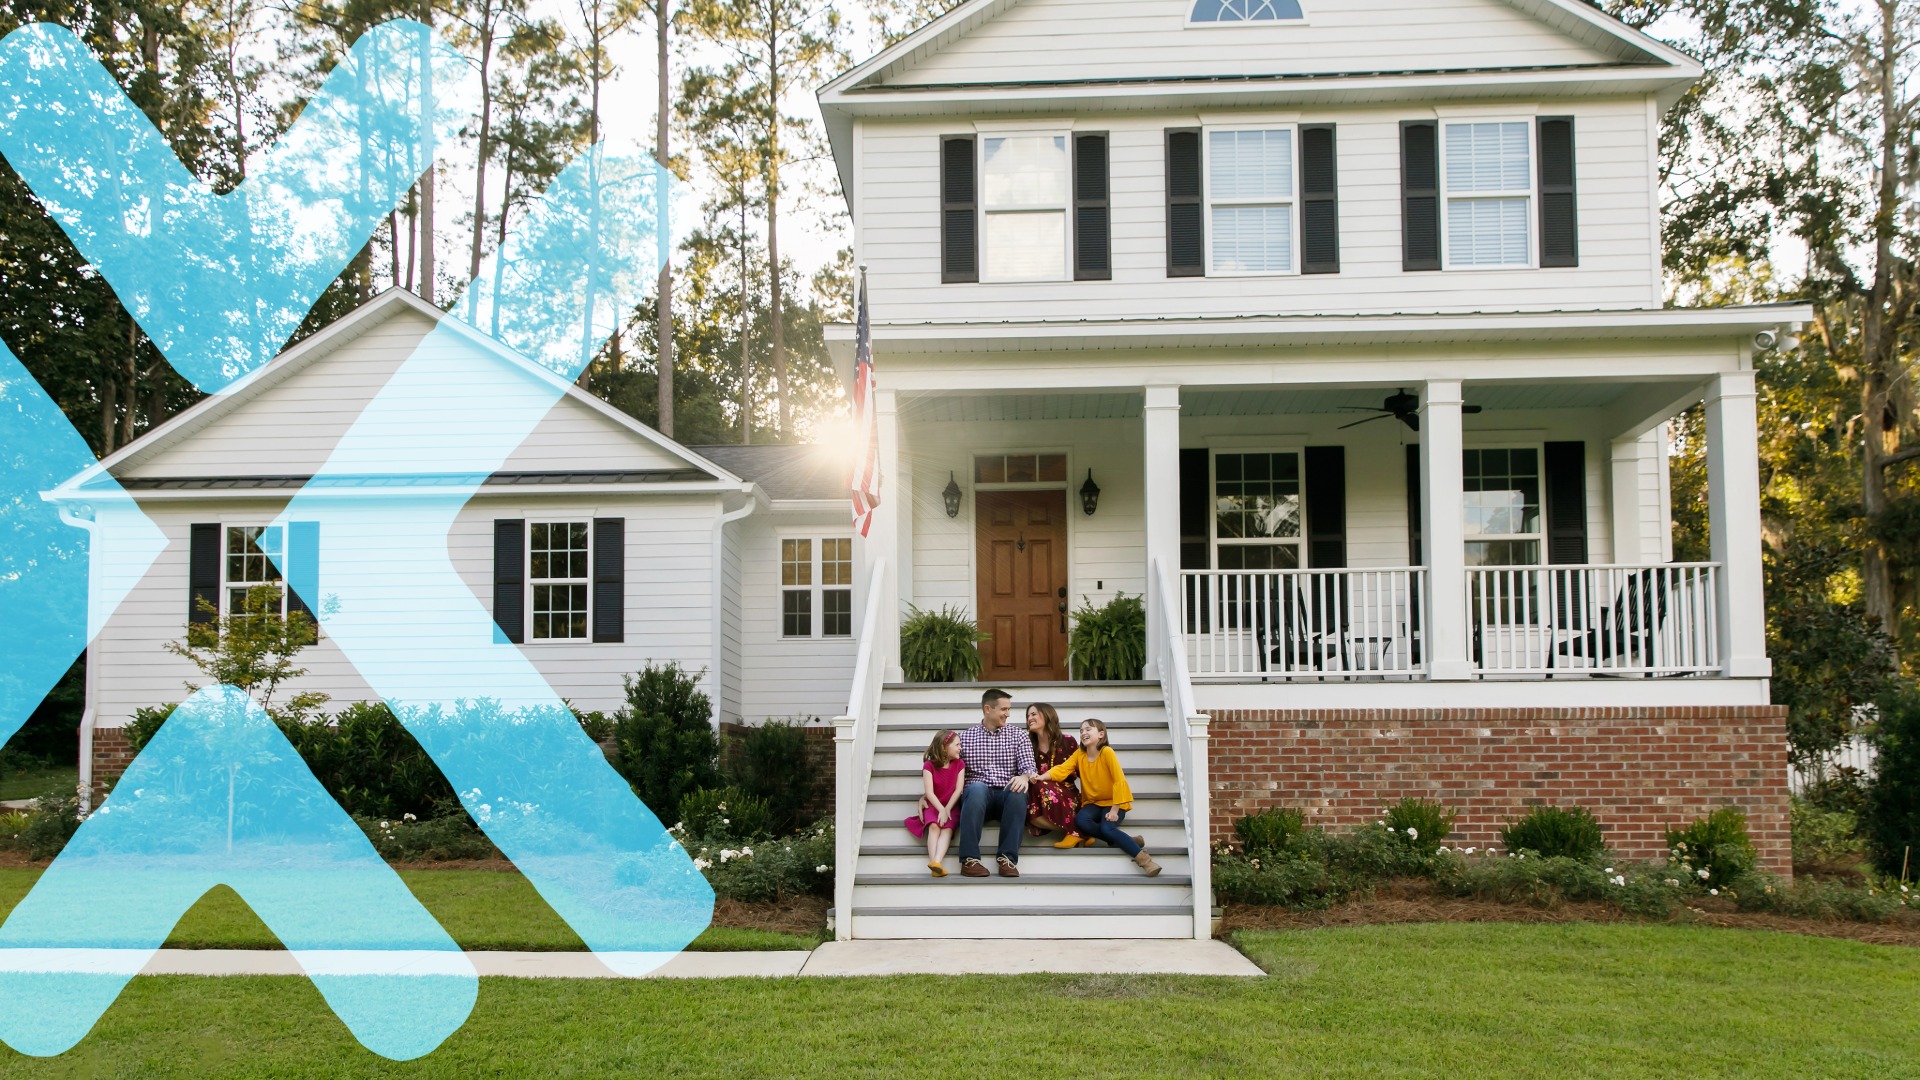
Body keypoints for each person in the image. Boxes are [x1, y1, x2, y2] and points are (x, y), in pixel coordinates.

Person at [1044, 718, 1161, 876]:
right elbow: (1062, 769)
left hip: (1114, 802)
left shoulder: (1106, 752)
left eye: (1088, 729)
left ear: (1101, 734)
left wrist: (1114, 810)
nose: (1083, 733)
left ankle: (1145, 861)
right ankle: (1127, 840)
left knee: (1107, 828)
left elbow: (1119, 780)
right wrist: (1042, 777)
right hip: (1093, 803)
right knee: (1081, 821)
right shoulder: (1079, 754)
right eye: (1081, 730)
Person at [955, 688, 1038, 878]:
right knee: (977, 787)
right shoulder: (965, 738)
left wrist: (1024, 777)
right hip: (976, 800)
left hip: (1006, 799)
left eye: (1009, 709)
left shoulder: (1018, 735)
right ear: (988, 709)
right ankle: (969, 860)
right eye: (1004, 709)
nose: (1008, 714)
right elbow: (947, 768)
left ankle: (1007, 859)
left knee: (1018, 790)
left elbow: (1029, 767)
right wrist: (928, 795)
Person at [904, 730, 966, 876]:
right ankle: (933, 863)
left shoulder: (959, 764)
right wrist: (941, 809)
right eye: (957, 745)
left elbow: (959, 789)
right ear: (944, 747)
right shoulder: (929, 766)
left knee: (947, 828)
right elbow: (929, 793)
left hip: (952, 806)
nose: (960, 748)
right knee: (934, 826)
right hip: (933, 804)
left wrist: (947, 809)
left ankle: (937, 861)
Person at [1021, 703, 1083, 847]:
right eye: (1028, 716)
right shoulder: (1027, 745)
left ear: (1047, 715)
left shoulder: (1068, 741)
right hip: (1038, 797)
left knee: (1040, 785)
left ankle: (1076, 832)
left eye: (1033, 714)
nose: (1029, 718)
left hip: (1067, 794)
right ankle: (1078, 832)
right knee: (1029, 813)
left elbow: (1083, 771)